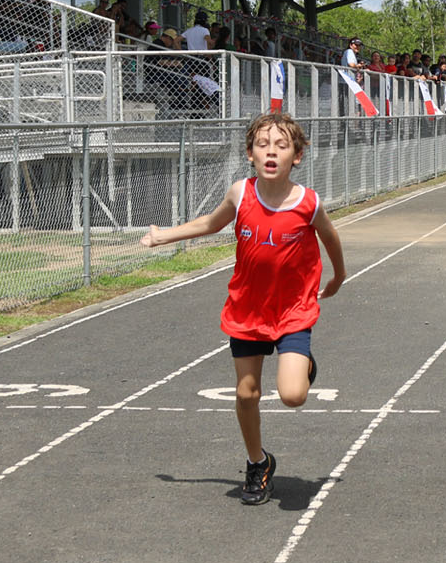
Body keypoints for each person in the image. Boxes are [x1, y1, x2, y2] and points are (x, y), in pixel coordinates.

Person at [140, 113, 347, 504]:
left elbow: (331, 238)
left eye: (282, 146)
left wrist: (338, 276)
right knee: (247, 393)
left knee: (293, 395)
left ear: (297, 156)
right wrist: (163, 235)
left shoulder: (308, 202)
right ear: (250, 154)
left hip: (292, 310)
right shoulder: (240, 193)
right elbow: (210, 223)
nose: (272, 151)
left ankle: (302, 364)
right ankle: (258, 463)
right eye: (263, 145)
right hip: (248, 309)